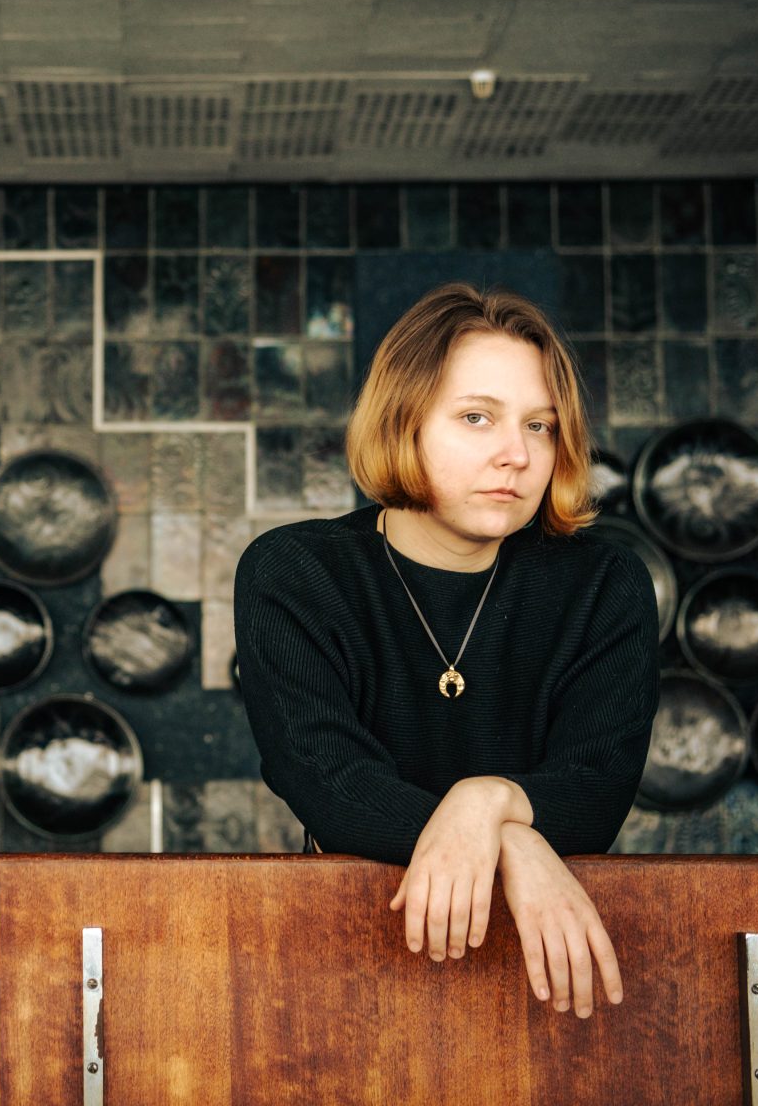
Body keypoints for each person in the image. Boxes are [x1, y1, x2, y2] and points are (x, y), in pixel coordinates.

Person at [233, 280, 659, 1023]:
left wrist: (485, 800)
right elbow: (327, 780)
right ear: (402, 421)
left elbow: (598, 789)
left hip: (547, 982)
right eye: (476, 417)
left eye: (539, 426)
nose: (515, 455)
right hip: (346, 964)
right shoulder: (296, 573)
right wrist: (516, 843)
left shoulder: (603, 582)